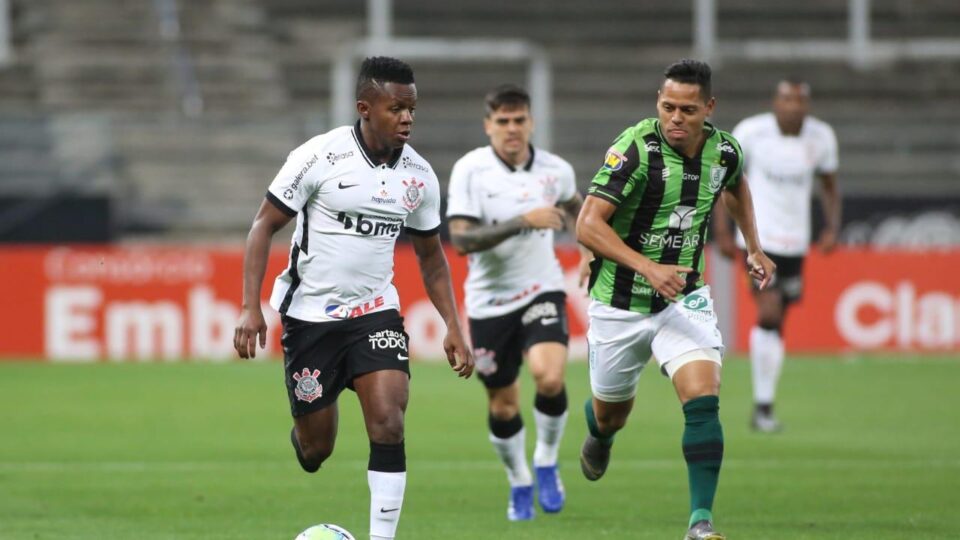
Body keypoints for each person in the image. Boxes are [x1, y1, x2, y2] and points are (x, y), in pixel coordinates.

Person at [233, 56, 474, 540]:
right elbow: (264, 226)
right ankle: (306, 432)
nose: (406, 117)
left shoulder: (419, 177)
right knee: (316, 450)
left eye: (412, 108)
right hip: (310, 318)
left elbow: (431, 257)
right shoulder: (319, 156)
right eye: (396, 108)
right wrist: (249, 305)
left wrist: (453, 323)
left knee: (388, 421)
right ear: (365, 107)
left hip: (375, 313)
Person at [575, 59, 777, 540]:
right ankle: (600, 434)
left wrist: (754, 245)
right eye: (668, 107)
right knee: (610, 412)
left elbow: (736, 186)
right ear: (658, 104)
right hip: (620, 305)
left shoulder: (725, 150)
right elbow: (587, 223)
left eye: (688, 109)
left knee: (703, 397)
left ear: (709, 108)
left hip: (684, 300)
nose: (676, 119)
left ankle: (699, 523)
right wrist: (647, 267)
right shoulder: (635, 150)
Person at [446, 84, 591, 521]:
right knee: (503, 404)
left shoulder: (555, 170)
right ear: (488, 124)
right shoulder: (471, 170)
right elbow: (461, 239)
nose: (512, 129)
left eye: (519, 120)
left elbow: (580, 208)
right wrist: (521, 221)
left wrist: (587, 250)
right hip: (489, 303)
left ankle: (546, 459)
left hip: (540, 288)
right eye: (503, 121)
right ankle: (518, 479)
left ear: (531, 121)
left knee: (549, 377)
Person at [713, 79, 841, 433]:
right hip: (757, 240)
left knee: (777, 321)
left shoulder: (822, 138)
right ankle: (763, 406)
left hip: (795, 243)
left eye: (799, 101)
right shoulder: (751, 133)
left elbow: (829, 186)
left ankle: (763, 406)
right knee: (768, 312)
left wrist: (831, 227)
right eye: (786, 100)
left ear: (807, 105)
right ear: (776, 102)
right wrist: (723, 231)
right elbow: (727, 182)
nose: (792, 107)